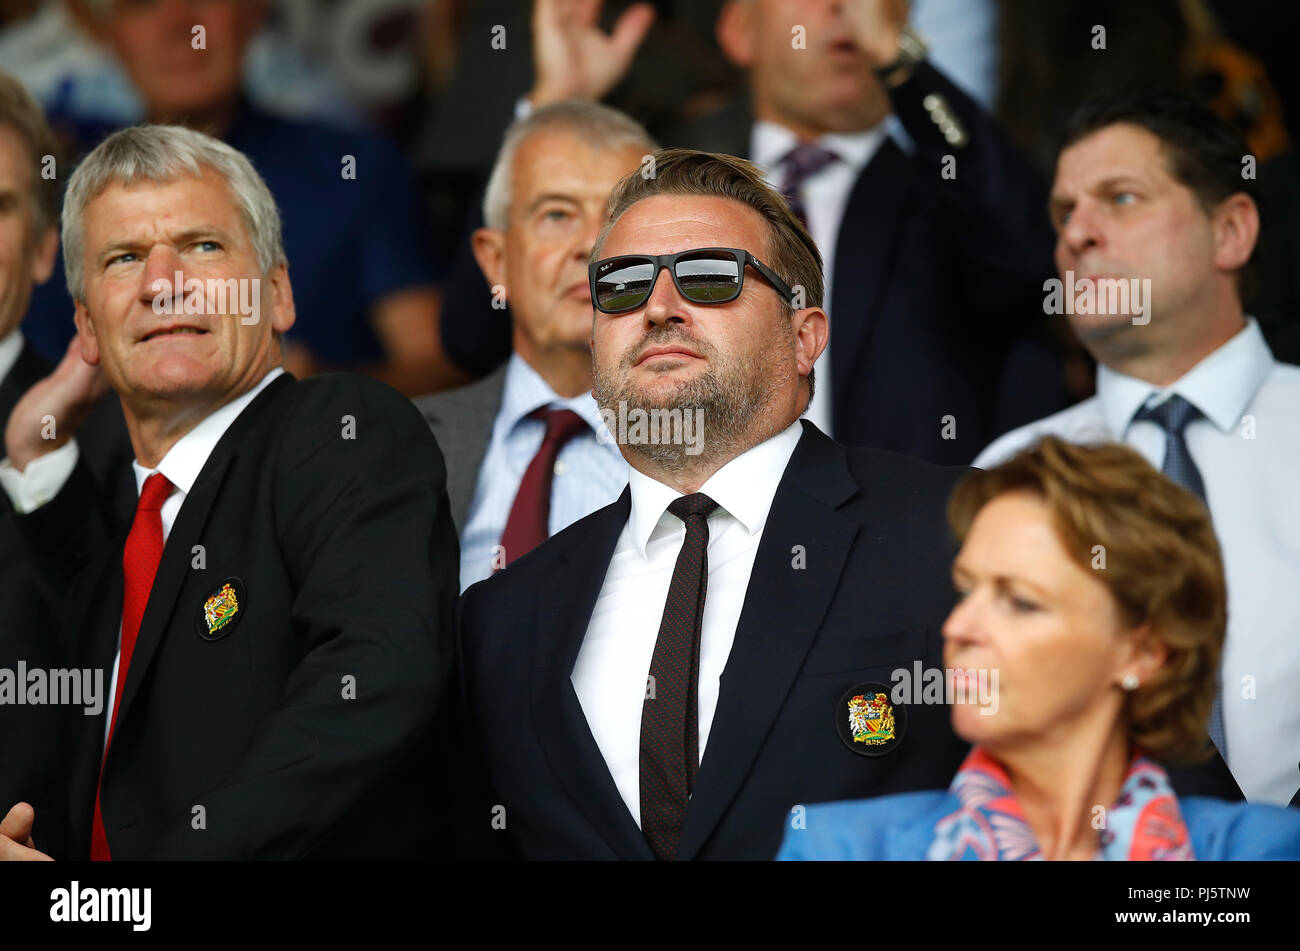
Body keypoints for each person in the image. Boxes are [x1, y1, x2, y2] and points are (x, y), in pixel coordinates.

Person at [458, 148, 973, 861]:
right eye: (623, 285)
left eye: (709, 277)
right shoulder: (502, 617)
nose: (660, 307)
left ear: (805, 335)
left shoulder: (956, 527)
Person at [0, 124, 457, 860]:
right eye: (124, 259)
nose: (162, 281)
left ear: (276, 294)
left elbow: (375, 678)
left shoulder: (340, 431)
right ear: (86, 325)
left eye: (203, 246)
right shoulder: (117, 514)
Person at [439, 0, 1065, 464]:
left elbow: (1030, 260)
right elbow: (476, 332)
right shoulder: (658, 178)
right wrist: (555, 114)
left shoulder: (949, 190)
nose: (843, 11)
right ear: (740, 31)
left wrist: (904, 66)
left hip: (893, 551)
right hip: (686, 536)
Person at [974, 91, 1300, 807]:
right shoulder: (1005, 475)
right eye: (1063, 213)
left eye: (1120, 198)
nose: (1077, 236)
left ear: (1231, 232)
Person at [778, 438, 1300, 860]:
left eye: (1021, 602)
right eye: (965, 591)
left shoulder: (1260, 850)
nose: (959, 626)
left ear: (1144, 651)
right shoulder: (843, 848)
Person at [21, 0, 457, 396]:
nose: (179, 24)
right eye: (143, 5)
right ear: (110, 35)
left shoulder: (354, 167)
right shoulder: (71, 202)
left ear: (254, 13)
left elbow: (444, 368)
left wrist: (315, 389)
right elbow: (36, 392)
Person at [414, 101, 648, 591]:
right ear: (496, 260)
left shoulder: (717, 443)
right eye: (557, 214)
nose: (592, 245)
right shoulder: (403, 443)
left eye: (619, 217)